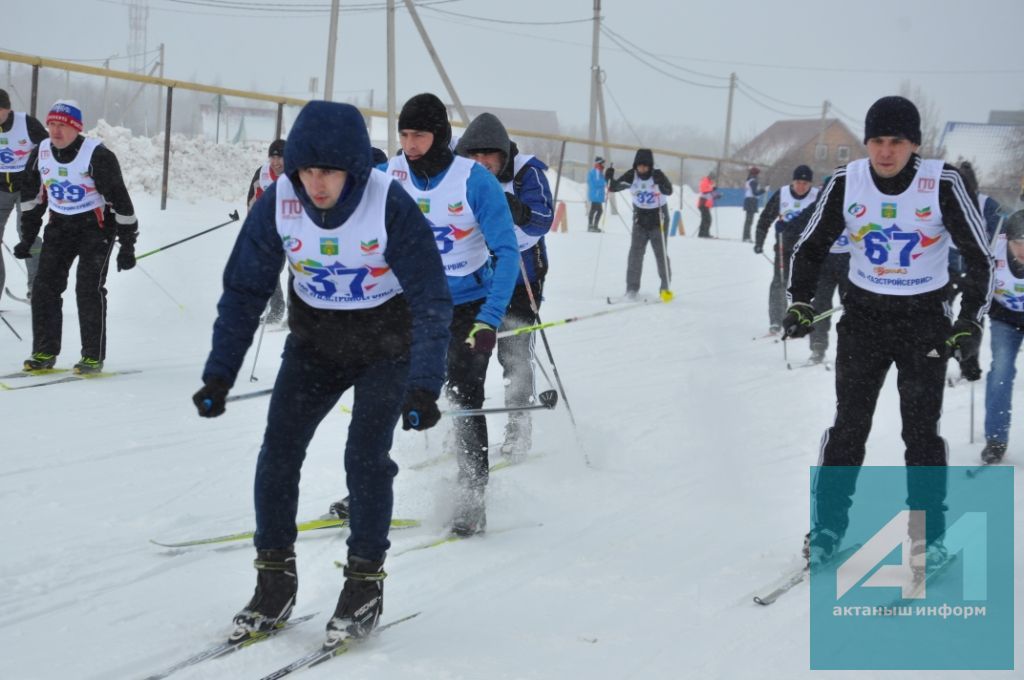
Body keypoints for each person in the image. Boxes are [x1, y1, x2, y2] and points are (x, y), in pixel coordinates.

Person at [191, 101, 452, 648]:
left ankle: (363, 583)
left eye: (329, 171)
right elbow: (244, 290)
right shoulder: (279, 203)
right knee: (278, 451)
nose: (317, 183)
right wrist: (219, 374)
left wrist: (425, 384)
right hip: (314, 346)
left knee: (364, 457)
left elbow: (430, 298)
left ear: (354, 170)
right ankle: (273, 581)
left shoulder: (389, 204)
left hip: (386, 346)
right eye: (307, 170)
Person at [785, 95, 994, 573]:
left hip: (924, 323)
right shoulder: (847, 181)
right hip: (864, 321)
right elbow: (809, 246)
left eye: (895, 141)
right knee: (848, 428)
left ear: (913, 143)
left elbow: (980, 258)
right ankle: (828, 527)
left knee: (919, 434)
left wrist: (968, 323)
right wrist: (800, 300)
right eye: (876, 140)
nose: (884, 151)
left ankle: (929, 537)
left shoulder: (942, 183)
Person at [385, 93, 519, 536]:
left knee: (464, 393)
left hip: (469, 305)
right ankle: (368, 484)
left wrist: (491, 318)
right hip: (416, 300)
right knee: (384, 388)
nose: (410, 144)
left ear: (439, 134)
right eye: (404, 134)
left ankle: (471, 495)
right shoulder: (392, 173)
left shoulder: (473, 180)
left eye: (419, 134)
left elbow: (507, 252)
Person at [455, 112, 554, 458]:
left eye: (489, 158)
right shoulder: (460, 173)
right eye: (474, 157)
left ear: (503, 155)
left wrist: (516, 209)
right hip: (477, 279)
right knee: (463, 359)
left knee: (513, 356)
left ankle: (518, 427)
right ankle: (462, 428)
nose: (482, 164)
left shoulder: (528, 172)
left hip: (521, 275)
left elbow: (544, 218)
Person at [14, 100, 138, 374]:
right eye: (52, 125)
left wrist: (127, 245)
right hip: (60, 227)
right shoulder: (41, 153)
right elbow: (32, 199)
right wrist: (28, 237)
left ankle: (92, 356)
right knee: (44, 286)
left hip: (96, 228)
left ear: (76, 129)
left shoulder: (97, 156)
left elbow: (122, 203)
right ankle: (44, 351)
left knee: (87, 288)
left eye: (63, 126)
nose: (56, 132)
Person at [753, 165, 819, 338]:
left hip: (808, 250)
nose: (801, 186)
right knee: (779, 283)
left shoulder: (817, 196)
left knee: (806, 287)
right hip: (784, 248)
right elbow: (766, 217)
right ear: (793, 181)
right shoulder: (782, 194)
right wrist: (759, 240)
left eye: (805, 183)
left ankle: (804, 321)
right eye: (798, 182)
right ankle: (776, 321)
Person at [980, 210, 1024, 464]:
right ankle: (996, 439)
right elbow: (976, 281)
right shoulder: (993, 251)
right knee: (1001, 372)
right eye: (1017, 244)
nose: (1022, 251)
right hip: (1005, 318)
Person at [0, 88, 47, 301]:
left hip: (26, 188)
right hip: (1, 189)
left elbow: (49, 148)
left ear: (7, 110)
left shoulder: (27, 124)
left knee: (26, 234)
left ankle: (37, 288)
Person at [609, 148, 674, 301]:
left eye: (645, 166)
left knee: (661, 254)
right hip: (640, 218)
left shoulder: (656, 174)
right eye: (639, 166)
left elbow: (669, 190)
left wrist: (661, 183)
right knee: (635, 255)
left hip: (659, 218)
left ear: (650, 166)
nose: (642, 169)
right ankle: (632, 289)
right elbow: (614, 187)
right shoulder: (632, 175)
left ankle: (665, 289)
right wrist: (610, 177)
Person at [947, 161, 1003, 304]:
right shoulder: (948, 199)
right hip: (950, 258)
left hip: (975, 257)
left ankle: (971, 321)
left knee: (974, 297)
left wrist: (989, 251)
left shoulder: (987, 204)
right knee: (944, 298)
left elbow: (999, 232)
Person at [246, 139, 287, 325]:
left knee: (299, 271)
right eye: (273, 157)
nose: (276, 162)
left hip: (293, 230)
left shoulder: (298, 174)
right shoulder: (262, 174)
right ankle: (277, 309)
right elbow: (252, 201)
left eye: (281, 158)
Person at [741, 166, 766, 243]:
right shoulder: (753, 181)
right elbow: (755, 193)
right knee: (749, 220)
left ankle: (746, 236)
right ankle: (746, 236)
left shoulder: (749, 180)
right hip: (751, 201)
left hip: (749, 200)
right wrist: (763, 190)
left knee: (748, 220)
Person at [587, 156, 606, 232]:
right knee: (597, 210)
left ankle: (592, 226)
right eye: (602, 163)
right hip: (596, 194)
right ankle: (591, 226)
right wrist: (605, 182)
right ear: (599, 163)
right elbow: (596, 183)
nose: (603, 165)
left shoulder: (599, 171)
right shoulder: (596, 172)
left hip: (597, 195)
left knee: (595, 210)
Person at [697, 171, 718, 238]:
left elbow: (710, 193)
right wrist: (712, 189)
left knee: (705, 219)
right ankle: (705, 233)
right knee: (707, 219)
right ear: (710, 176)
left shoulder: (709, 183)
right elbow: (704, 191)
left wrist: (716, 196)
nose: (713, 180)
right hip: (703, 203)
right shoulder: (705, 181)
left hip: (706, 204)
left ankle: (702, 233)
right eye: (713, 178)